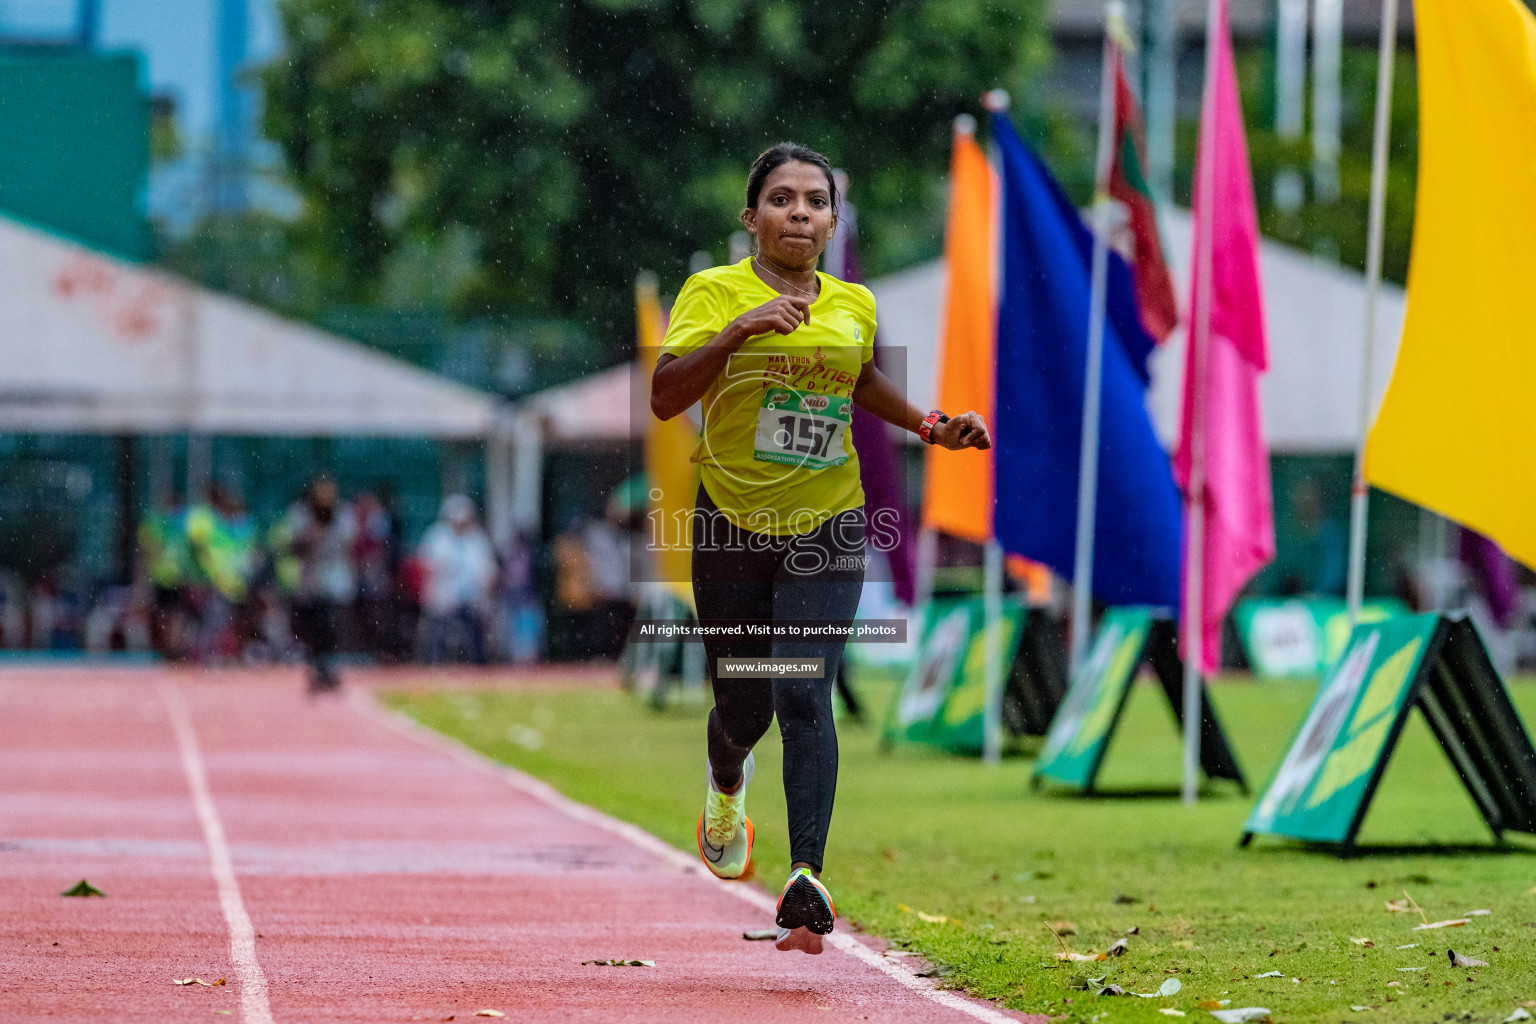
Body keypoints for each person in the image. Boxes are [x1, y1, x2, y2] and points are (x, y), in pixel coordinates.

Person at [649, 143, 990, 955]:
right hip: (729, 523)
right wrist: (740, 330)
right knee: (746, 709)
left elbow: (859, 378)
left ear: (833, 221)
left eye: (814, 201)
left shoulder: (854, 304)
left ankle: (805, 878)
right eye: (781, 199)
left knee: (805, 693)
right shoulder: (713, 292)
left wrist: (931, 426)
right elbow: (666, 397)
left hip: (827, 524)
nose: (799, 213)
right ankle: (727, 781)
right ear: (751, 218)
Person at [282, 477, 356, 693]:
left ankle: (329, 670)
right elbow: (294, 548)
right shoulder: (301, 515)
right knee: (313, 630)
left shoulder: (343, 515)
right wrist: (314, 529)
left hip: (335, 581)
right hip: (311, 582)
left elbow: (348, 543)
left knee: (332, 629)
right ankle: (317, 670)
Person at [417, 495, 497, 664]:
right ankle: (435, 666)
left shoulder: (477, 539)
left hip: (470, 599)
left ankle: (474, 669)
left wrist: (485, 595)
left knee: (473, 640)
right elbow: (426, 565)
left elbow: (487, 571)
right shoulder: (437, 537)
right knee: (438, 637)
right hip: (442, 596)